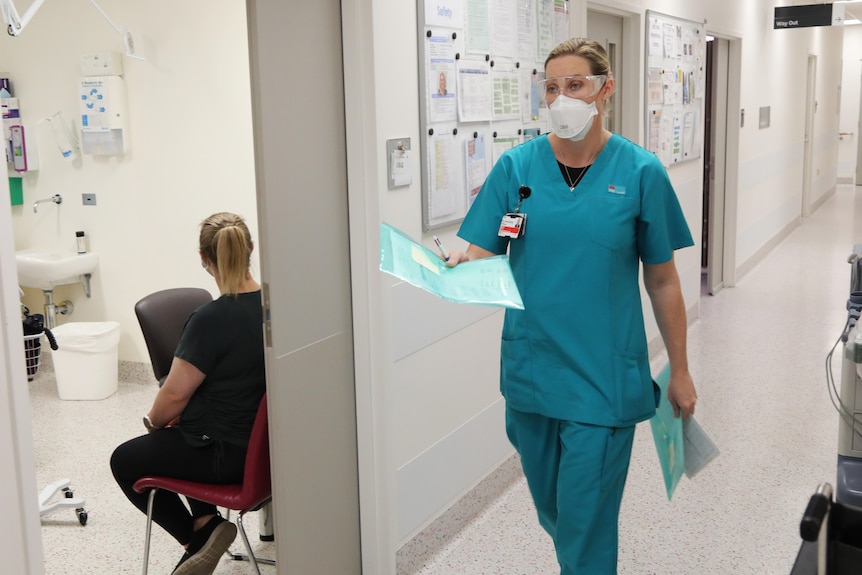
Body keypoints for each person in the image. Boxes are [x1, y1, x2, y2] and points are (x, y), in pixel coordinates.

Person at [443, 38, 697, 574]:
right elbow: (481, 248)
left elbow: (664, 282)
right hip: (532, 374)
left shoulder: (640, 171)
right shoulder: (517, 167)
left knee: (585, 524)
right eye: (552, 87)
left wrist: (681, 369)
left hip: (603, 380)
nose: (562, 98)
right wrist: (454, 261)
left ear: (604, 90)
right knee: (556, 511)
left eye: (575, 85)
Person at [111, 212, 266, 575]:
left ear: (204, 258)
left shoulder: (211, 318)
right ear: (251, 250)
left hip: (224, 454)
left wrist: (154, 423)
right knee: (185, 433)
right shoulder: (277, 305)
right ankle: (206, 524)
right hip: (268, 453)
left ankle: (196, 539)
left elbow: (175, 396)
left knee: (126, 459)